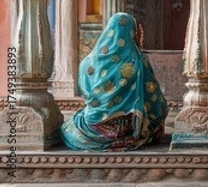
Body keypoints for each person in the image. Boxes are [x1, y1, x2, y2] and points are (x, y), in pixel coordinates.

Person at [61, 13, 168, 151]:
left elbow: (87, 94)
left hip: (93, 125)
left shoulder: (88, 62)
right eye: (137, 31)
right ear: (131, 32)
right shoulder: (137, 61)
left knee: (70, 126)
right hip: (128, 128)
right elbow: (152, 96)